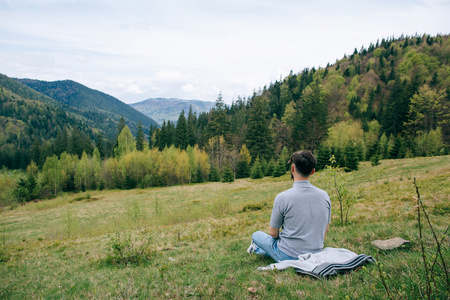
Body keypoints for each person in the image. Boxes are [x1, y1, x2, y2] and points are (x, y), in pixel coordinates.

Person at [247, 150, 331, 262]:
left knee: (256, 235)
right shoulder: (324, 195)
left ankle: (257, 249)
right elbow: (325, 230)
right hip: (315, 253)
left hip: (288, 255)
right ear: (312, 171)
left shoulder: (282, 197)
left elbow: (273, 233)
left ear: (292, 169)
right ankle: (260, 249)